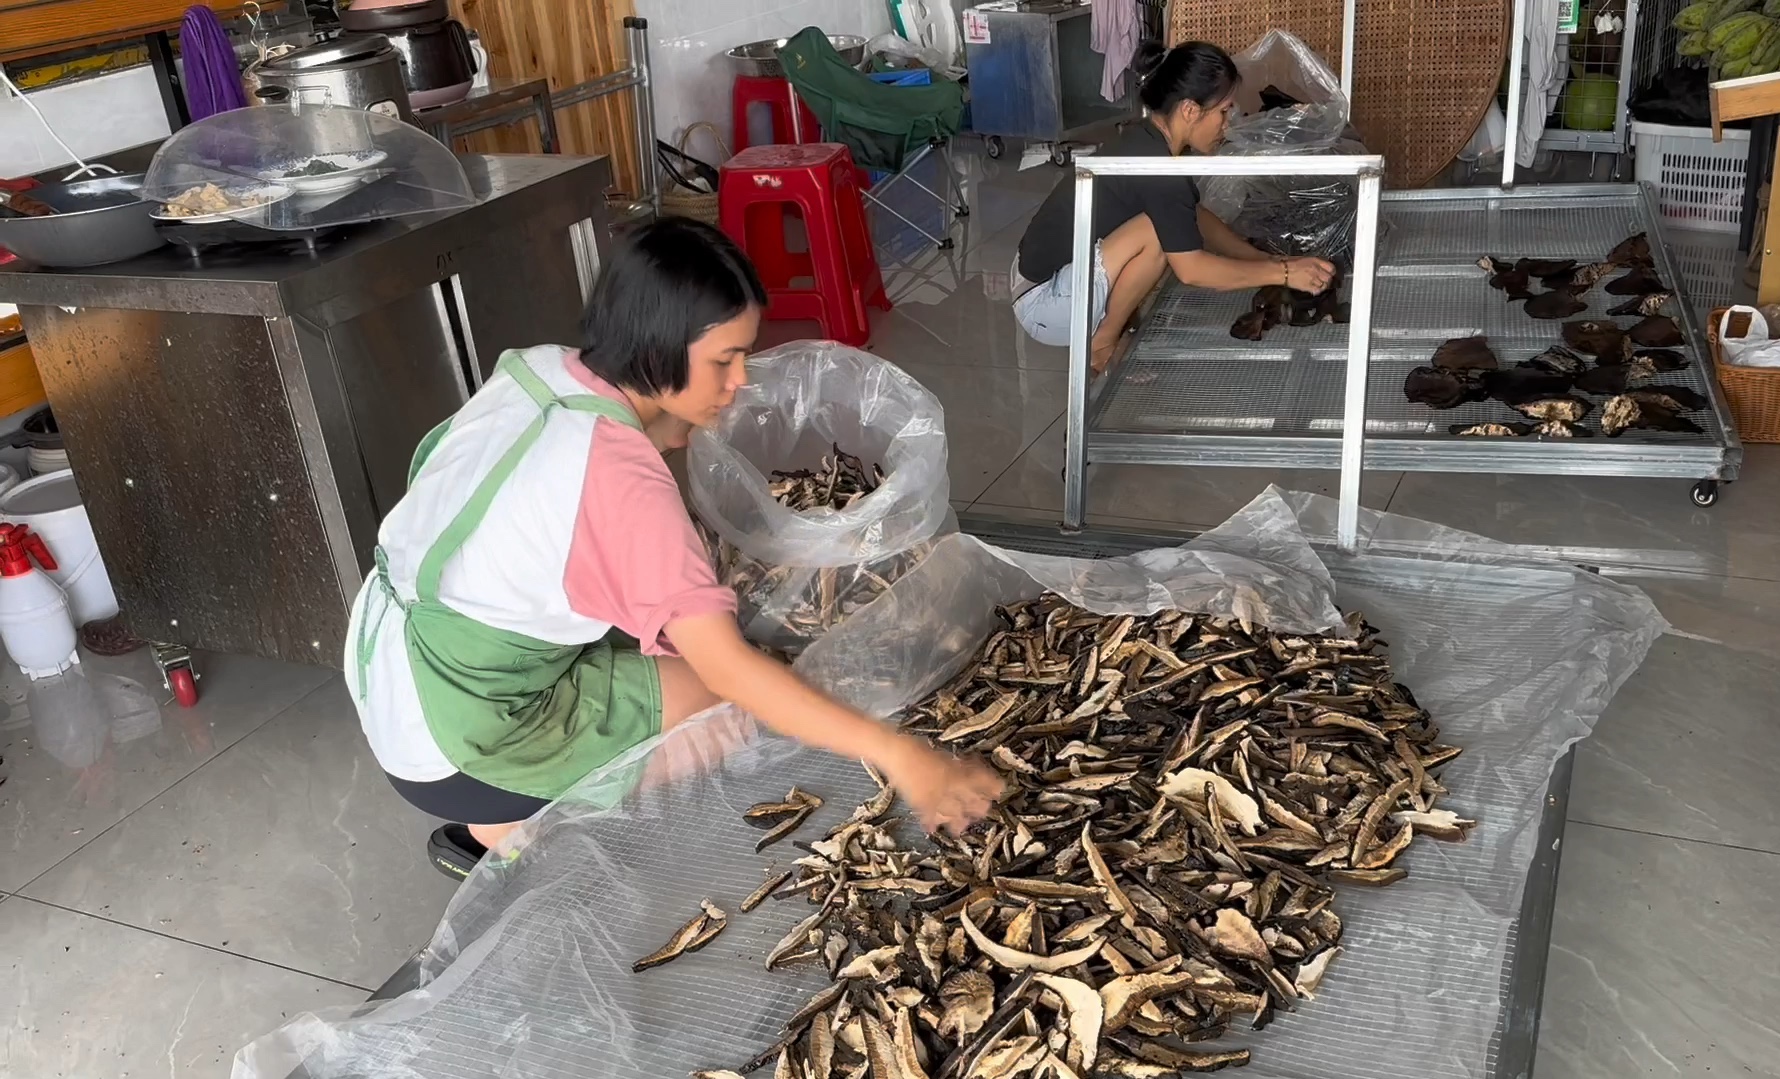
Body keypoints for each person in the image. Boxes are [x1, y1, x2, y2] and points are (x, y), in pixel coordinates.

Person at [345, 217, 1002, 879]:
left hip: (389, 667)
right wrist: (903, 754)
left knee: (666, 649)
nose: (740, 379)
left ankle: (509, 794)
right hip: (455, 741)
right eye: (724, 359)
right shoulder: (621, 483)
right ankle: (511, 827)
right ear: (656, 347)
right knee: (727, 707)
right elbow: (730, 671)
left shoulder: (538, 369)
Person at [1013, 40, 1337, 372]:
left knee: (1169, 226)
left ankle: (1108, 330)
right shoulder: (1158, 167)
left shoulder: (1150, 142)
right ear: (1189, 110)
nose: (1227, 125)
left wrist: (1269, 260)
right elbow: (1192, 269)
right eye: (1223, 112)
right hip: (1043, 302)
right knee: (1158, 234)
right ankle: (1102, 344)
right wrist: (1284, 274)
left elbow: (1194, 217)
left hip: (1039, 278)